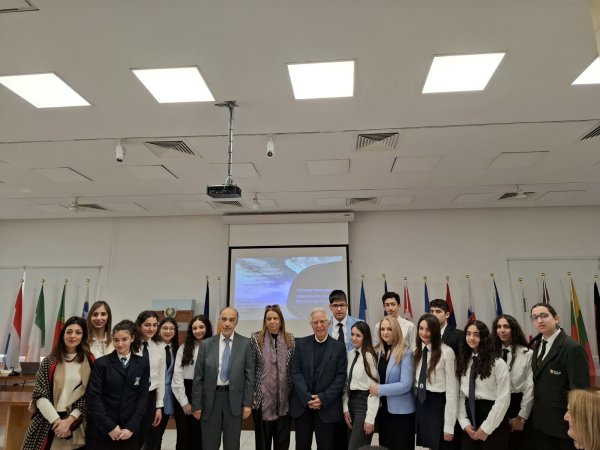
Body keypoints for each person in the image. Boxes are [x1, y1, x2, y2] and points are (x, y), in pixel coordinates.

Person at [23, 316, 94, 450]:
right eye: (69, 332)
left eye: (78, 332)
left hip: (75, 423)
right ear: (63, 334)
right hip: (47, 419)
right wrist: (57, 422)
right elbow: (39, 394)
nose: (73, 336)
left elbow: (89, 394)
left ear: (83, 336)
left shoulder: (90, 361)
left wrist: (69, 421)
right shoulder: (49, 361)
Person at [191, 307, 255, 450]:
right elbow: (198, 377)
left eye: (231, 320)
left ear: (236, 322)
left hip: (234, 401)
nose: (227, 323)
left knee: (232, 444)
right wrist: (197, 405)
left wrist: (247, 404)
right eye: (224, 319)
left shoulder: (246, 344)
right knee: (209, 444)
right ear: (219, 320)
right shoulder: (206, 344)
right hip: (210, 401)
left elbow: (249, 376)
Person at [529, 303, 590, 450]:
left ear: (556, 318)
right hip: (540, 423)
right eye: (535, 317)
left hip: (563, 426)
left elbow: (580, 392)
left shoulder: (572, 348)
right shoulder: (537, 344)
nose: (539, 320)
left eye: (544, 315)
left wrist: (578, 428)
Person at [86, 319, 150, 450]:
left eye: (124, 339)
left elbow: (143, 397)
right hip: (103, 429)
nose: (120, 344)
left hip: (128, 430)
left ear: (132, 338)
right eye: (116, 340)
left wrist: (131, 426)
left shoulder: (142, 363)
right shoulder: (101, 363)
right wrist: (109, 426)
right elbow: (94, 397)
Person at [290, 307, 347, 450]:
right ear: (311, 325)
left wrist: (322, 398)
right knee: (302, 445)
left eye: (322, 321)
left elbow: (340, 377)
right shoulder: (300, 344)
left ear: (328, 323)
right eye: (315, 322)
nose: (319, 325)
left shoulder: (339, 347)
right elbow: (296, 373)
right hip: (303, 406)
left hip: (327, 407)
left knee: (326, 446)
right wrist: (308, 397)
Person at [456, 320, 510, 450]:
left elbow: (503, 399)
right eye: (468, 334)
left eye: (476, 334)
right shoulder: (463, 361)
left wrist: (487, 428)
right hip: (470, 416)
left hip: (492, 416)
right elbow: (461, 394)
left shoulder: (497, 363)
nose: (471, 338)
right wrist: (464, 422)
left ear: (484, 337)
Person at [250, 305, 296, 450]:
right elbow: (251, 368)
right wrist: (252, 395)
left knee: (282, 443)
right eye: (268, 318)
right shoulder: (256, 338)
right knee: (263, 444)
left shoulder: (290, 339)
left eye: (275, 318)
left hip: (284, 401)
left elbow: (292, 369)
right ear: (265, 321)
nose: (272, 321)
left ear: (281, 321)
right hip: (262, 401)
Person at [414, 313, 458, 450]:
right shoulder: (417, 351)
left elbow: (452, 391)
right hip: (422, 403)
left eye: (428, 329)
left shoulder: (446, 352)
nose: (424, 333)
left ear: (436, 330)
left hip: (438, 405)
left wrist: (449, 425)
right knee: (427, 446)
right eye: (421, 328)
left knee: (440, 444)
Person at [370, 316, 415, 450]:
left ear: (396, 330)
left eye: (389, 329)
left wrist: (379, 389)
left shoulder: (406, 352)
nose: (385, 332)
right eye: (382, 329)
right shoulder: (379, 352)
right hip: (383, 410)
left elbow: (406, 384)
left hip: (401, 413)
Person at [491, 314, 533, 450]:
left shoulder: (527, 354)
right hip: (495, 402)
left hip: (517, 403)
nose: (502, 330)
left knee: (517, 444)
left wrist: (521, 416)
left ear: (514, 329)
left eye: (506, 326)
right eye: (499, 327)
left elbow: (530, 387)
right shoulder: (490, 354)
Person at [172, 315, 212, 450]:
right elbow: (177, 376)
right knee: (184, 434)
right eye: (195, 328)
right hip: (184, 391)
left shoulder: (213, 347)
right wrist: (184, 402)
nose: (198, 331)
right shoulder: (184, 348)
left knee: (199, 433)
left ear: (207, 328)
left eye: (201, 327)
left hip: (204, 392)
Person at [327, 289, 361, 450]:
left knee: (352, 433)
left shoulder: (359, 323)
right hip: (331, 385)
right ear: (330, 307)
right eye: (335, 305)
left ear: (347, 305)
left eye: (342, 305)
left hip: (354, 384)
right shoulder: (324, 326)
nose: (339, 309)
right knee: (334, 434)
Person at [343, 321, 378, 450]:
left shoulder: (369, 356)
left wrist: (370, 417)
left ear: (365, 337)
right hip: (351, 402)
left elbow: (374, 389)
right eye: (352, 334)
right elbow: (347, 383)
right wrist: (345, 408)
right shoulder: (351, 354)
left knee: (355, 447)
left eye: (358, 335)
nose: (354, 338)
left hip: (364, 404)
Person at [145, 317, 179, 450]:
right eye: (165, 328)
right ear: (159, 330)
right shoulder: (151, 346)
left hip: (169, 397)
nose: (168, 331)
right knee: (151, 435)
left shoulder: (177, 349)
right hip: (153, 394)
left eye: (171, 328)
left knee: (160, 433)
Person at [134, 311, 166, 450]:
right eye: (147, 325)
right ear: (139, 326)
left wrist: (159, 406)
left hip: (150, 396)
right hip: (133, 396)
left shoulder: (159, 347)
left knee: (147, 436)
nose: (151, 329)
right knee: (132, 436)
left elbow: (161, 378)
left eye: (155, 325)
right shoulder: (131, 345)